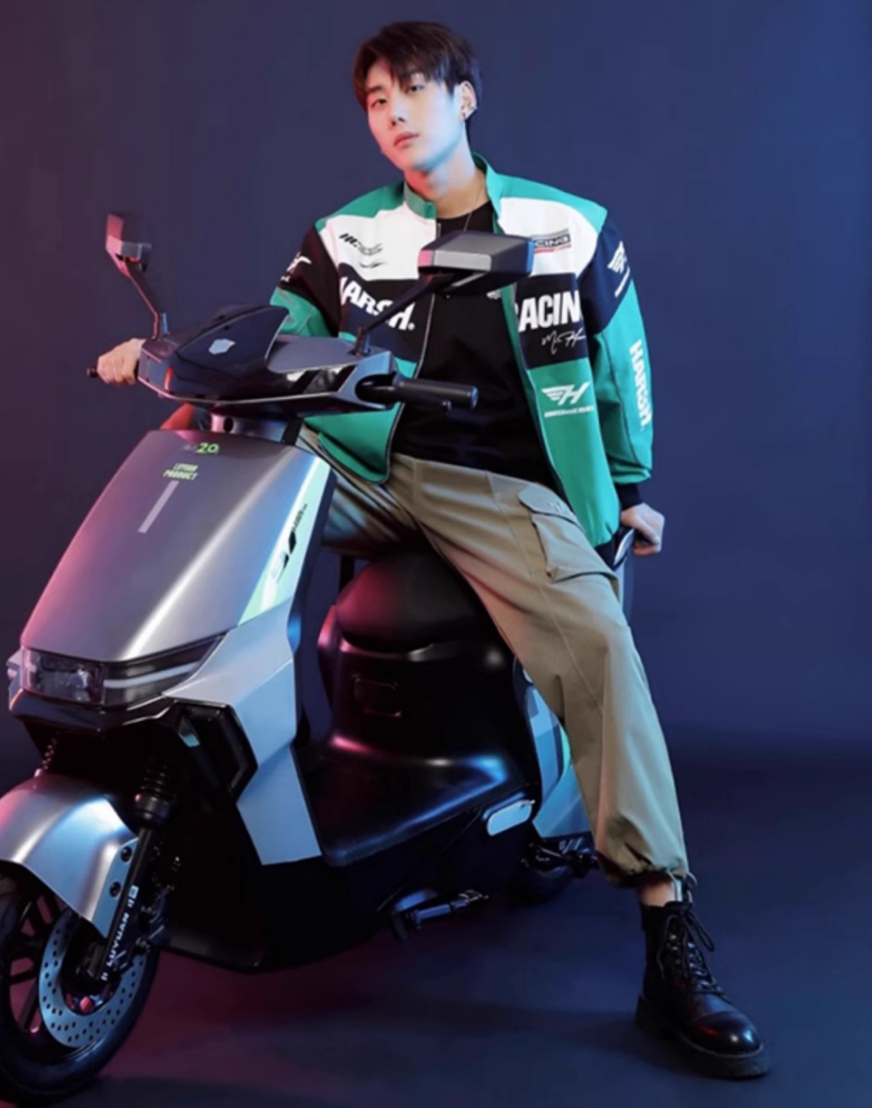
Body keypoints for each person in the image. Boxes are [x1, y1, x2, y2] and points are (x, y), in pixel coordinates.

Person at [95, 21, 769, 1080]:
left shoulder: (565, 227)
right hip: (365, 463)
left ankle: (667, 930)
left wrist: (629, 489)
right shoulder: (346, 235)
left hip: (494, 481)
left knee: (596, 641)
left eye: (413, 88)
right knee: (210, 478)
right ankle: (182, 779)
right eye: (376, 99)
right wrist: (176, 375)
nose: (395, 111)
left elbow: (621, 364)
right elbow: (269, 344)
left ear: (464, 98)